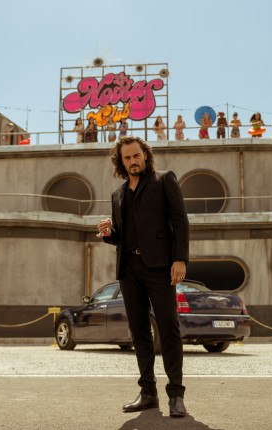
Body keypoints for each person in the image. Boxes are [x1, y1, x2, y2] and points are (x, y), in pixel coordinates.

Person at [97, 136, 189, 418]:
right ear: (121, 162)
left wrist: (180, 259)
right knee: (139, 332)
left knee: (168, 327)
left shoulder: (164, 180)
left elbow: (180, 219)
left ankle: (176, 395)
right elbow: (122, 236)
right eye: (127, 158)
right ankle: (148, 393)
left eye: (136, 155)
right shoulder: (118, 195)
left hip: (160, 267)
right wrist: (108, 233)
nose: (133, 161)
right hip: (129, 269)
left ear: (145, 155)